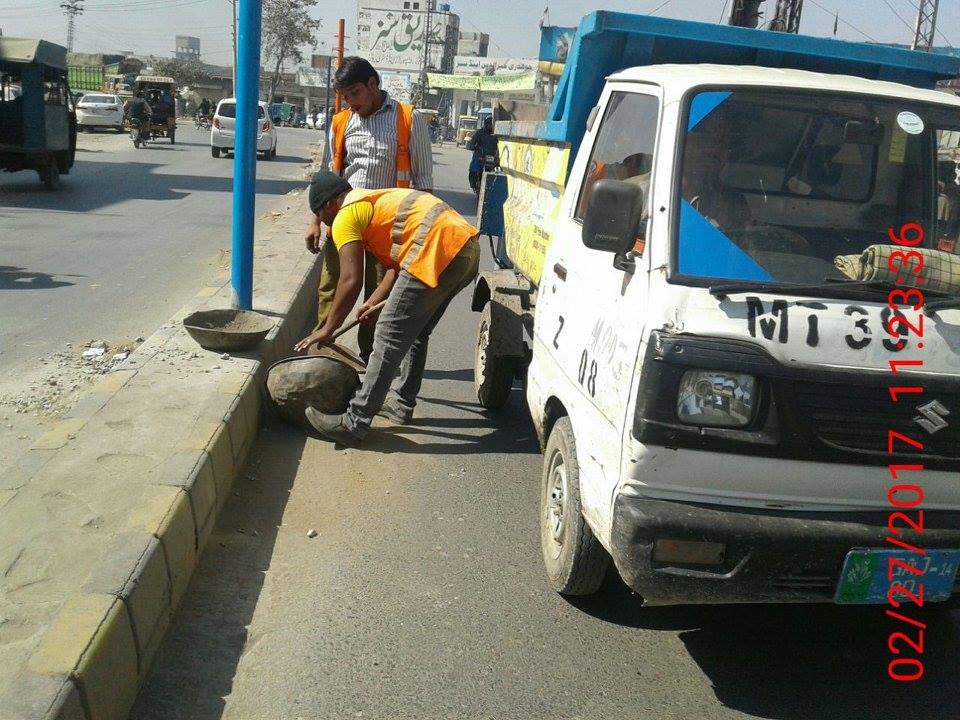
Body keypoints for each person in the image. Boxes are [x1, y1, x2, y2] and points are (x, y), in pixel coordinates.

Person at [295, 171, 478, 446]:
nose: (326, 225)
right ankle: (401, 404)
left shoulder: (345, 215)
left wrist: (328, 329)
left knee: (387, 334)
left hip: (437, 249)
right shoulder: (373, 202)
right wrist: (372, 302)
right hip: (465, 252)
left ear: (329, 205)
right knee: (417, 332)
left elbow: (350, 279)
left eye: (322, 216)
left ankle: (354, 422)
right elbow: (397, 267)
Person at [304, 56, 433, 363]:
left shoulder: (407, 118)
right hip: (344, 219)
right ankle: (322, 354)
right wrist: (315, 221)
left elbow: (424, 184)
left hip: (388, 227)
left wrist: (416, 236)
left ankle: (370, 362)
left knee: (378, 298)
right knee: (331, 287)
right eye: (345, 97)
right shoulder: (342, 121)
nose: (350, 103)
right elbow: (327, 176)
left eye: (355, 94)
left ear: (373, 85)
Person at [467, 117, 497, 192]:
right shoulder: (479, 132)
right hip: (480, 154)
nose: (490, 126)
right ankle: (473, 183)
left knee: (497, 170)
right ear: (485, 124)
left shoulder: (496, 135)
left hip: (492, 156)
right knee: (474, 167)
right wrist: (472, 146)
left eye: (491, 124)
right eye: (489, 124)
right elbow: (473, 142)